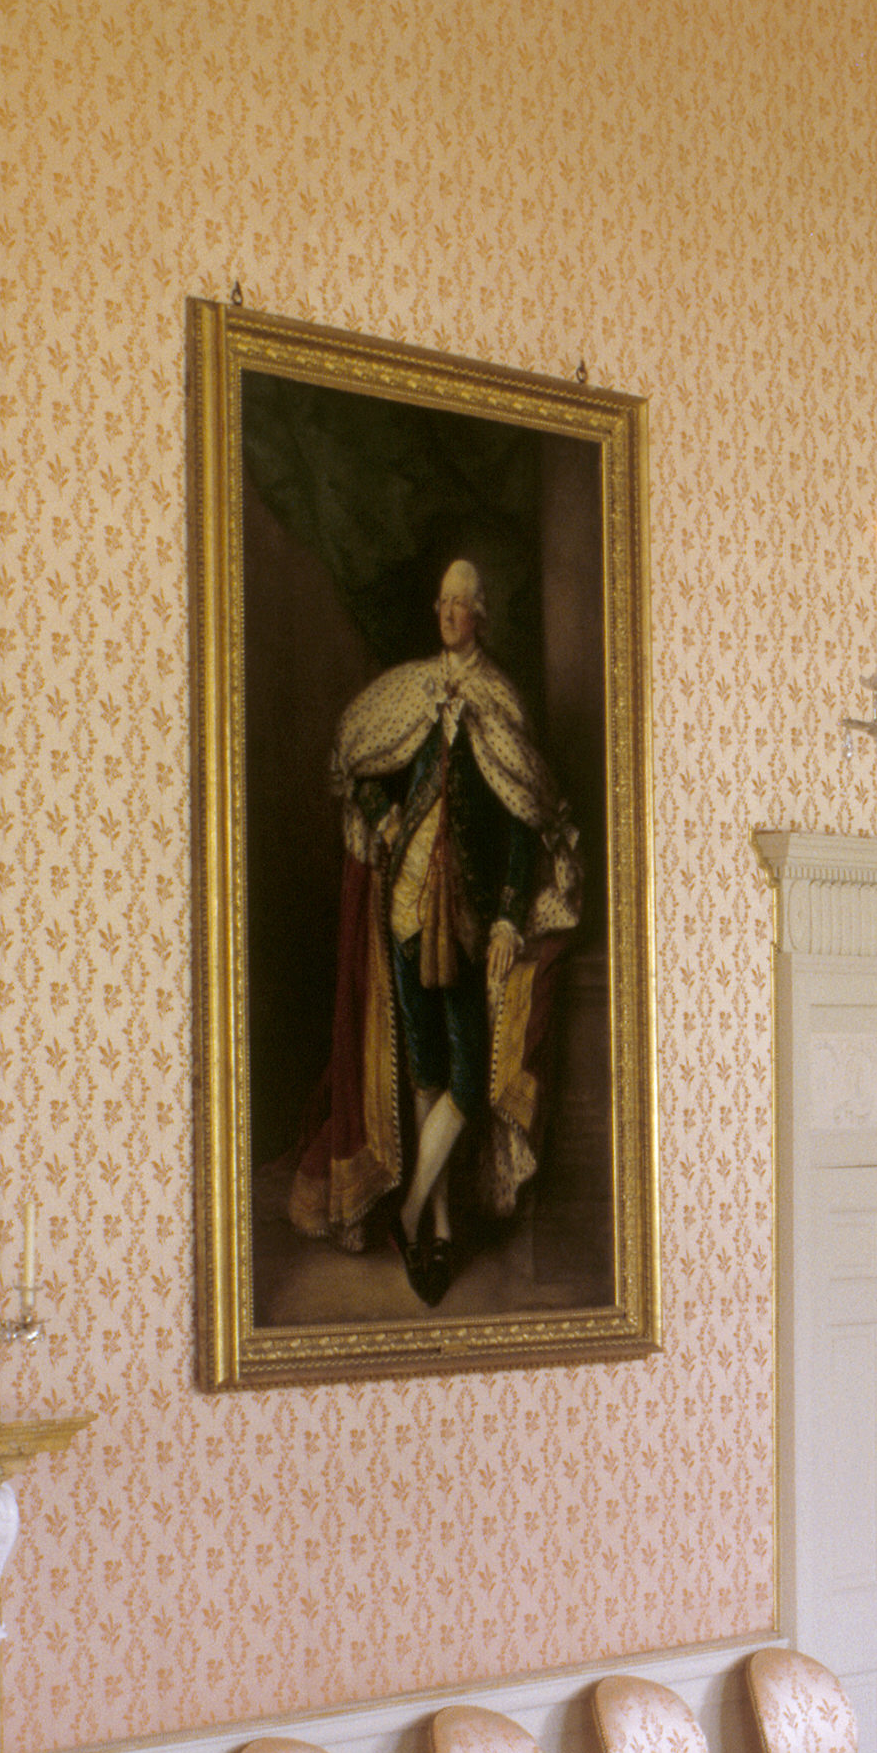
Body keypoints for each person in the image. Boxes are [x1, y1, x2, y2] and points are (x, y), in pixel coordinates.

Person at [288, 556, 583, 1304]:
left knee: (469, 1073)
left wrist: (514, 912)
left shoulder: (498, 700)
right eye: (443, 602)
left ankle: (411, 1208)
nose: (452, 614)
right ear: (437, 611)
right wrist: (383, 811)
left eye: (464, 604)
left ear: (481, 616)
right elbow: (357, 762)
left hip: (472, 916)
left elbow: (527, 824)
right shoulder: (411, 695)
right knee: (423, 1068)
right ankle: (438, 1229)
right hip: (406, 908)